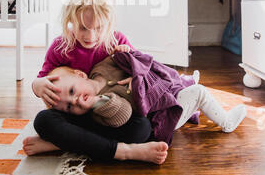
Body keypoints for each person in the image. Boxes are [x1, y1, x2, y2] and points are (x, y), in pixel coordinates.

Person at [23, 0, 168, 165]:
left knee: (142, 128)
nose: (90, 37)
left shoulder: (117, 40)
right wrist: (37, 85)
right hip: (75, 115)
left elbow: (142, 70)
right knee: (43, 121)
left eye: (99, 28)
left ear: (108, 22)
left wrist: (134, 75)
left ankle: (63, 143)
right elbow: (43, 79)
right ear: (70, 21)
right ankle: (124, 151)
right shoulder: (60, 46)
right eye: (83, 28)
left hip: (109, 113)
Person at [32, 51, 247, 143]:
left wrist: (131, 62)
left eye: (71, 92)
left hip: (159, 95)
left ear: (80, 74)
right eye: (70, 107)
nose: (77, 100)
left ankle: (183, 83)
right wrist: (97, 102)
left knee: (171, 79)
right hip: (162, 118)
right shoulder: (98, 109)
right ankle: (226, 122)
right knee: (199, 93)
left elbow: (129, 59)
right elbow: (123, 114)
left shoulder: (100, 66)